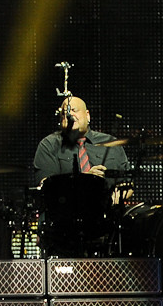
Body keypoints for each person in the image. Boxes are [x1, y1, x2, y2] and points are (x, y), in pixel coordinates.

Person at [33, 95, 130, 256]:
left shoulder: (110, 143)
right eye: (64, 113)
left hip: (109, 225)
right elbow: (47, 188)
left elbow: (128, 183)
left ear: (88, 115)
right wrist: (86, 180)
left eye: (74, 110)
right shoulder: (49, 145)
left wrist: (120, 193)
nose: (69, 115)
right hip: (64, 228)